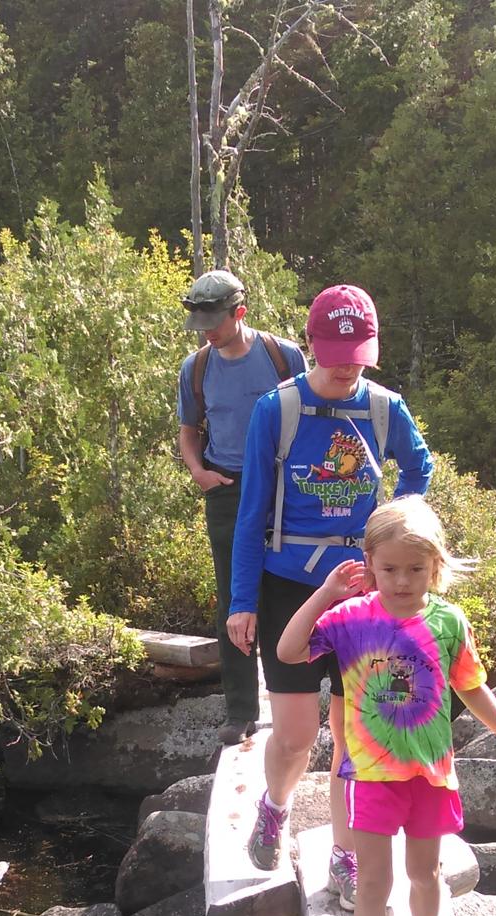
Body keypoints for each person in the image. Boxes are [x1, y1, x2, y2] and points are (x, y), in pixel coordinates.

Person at [276, 495, 496, 916]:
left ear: (436, 567)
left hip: (430, 775)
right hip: (370, 776)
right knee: (373, 886)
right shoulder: (351, 619)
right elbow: (288, 649)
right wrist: (326, 592)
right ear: (369, 562)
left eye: (416, 569)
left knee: (426, 876)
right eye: (390, 568)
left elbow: (470, 686)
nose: (402, 580)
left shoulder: (448, 620)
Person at [225, 283, 433, 912]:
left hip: (360, 590)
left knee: (350, 735)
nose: (349, 364)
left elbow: (418, 469)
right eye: (337, 350)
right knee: (292, 734)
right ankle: (274, 807)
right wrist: (242, 599)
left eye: (360, 351)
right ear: (313, 343)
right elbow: (250, 512)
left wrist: (393, 528)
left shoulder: (385, 408)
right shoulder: (276, 410)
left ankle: (346, 858)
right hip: (288, 584)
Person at [177, 269, 307, 745]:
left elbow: (311, 412)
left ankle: (289, 693)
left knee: (283, 587)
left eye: (215, 320)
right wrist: (199, 472)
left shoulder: (282, 356)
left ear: (241, 313)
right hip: (227, 485)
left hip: (283, 485)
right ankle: (240, 711)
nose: (207, 331)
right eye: (200, 322)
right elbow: (189, 431)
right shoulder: (195, 368)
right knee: (234, 592)